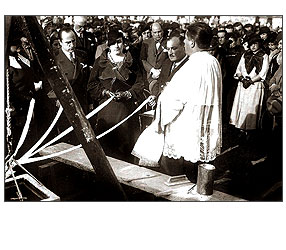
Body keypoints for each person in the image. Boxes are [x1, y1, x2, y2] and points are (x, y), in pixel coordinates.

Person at [132, 22, 222, 182]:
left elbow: (174, 101)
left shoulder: (192, 66)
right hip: (204, 129)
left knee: (180, 179)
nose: (185, 44)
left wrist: (160, 119)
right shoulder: (213, 62)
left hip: (186, 133)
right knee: (199, 178)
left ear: (192, 42)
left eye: (186, 40)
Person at [87, 30, 145, 162]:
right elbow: (91, 85)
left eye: (119, 42)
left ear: (124, 43)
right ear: (108, 45)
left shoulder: (132, 60)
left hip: (126, 110)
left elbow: (140, 82)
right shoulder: (100, 61)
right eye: (113, 43)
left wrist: (127, 93)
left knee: (126, 144)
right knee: (108, 144)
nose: (117, 46)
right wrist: (105, 92)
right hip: (107, 110)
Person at [52, 26, 90, 144]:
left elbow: (87, 81)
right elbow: (50, 84)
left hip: (82, 103)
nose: (72, 45)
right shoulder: (55, 59)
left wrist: (90, 102)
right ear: (60, 43)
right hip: (65, 105)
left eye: (73, 41)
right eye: (68, 42)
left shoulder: (82, 55)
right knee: (68, 139)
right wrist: (58, 99)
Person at [229, 34, 269, 138]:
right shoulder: (245, 55)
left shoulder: (264, 56)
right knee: (242, 105)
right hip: (243, 84)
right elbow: (238, 69)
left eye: (255, 44)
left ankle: (251, 130)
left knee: (251, 106)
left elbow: (263, 73)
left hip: (254, 85)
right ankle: (241, 128)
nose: (253, 47)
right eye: (251, 44)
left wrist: (251, 81)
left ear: (259, 44)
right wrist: (242, 78)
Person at [150, 32, 189, 97]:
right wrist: (154, 95)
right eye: (168, 49)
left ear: (183, 47)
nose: (170, 53)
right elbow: (159, 82)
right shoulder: (167, 63)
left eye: (173, 48)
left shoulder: (189, 65)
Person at [140, 22, 168, 92]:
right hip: (149, 77)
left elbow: (169, 60)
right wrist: (152, 70)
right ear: (151, 33)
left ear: (162, 31)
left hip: (164, 76)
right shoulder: (146, 43)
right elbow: (143, 60)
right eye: (155, 32)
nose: (157, 34)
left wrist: (161, 71)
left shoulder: (168, 42)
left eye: (159, 32)